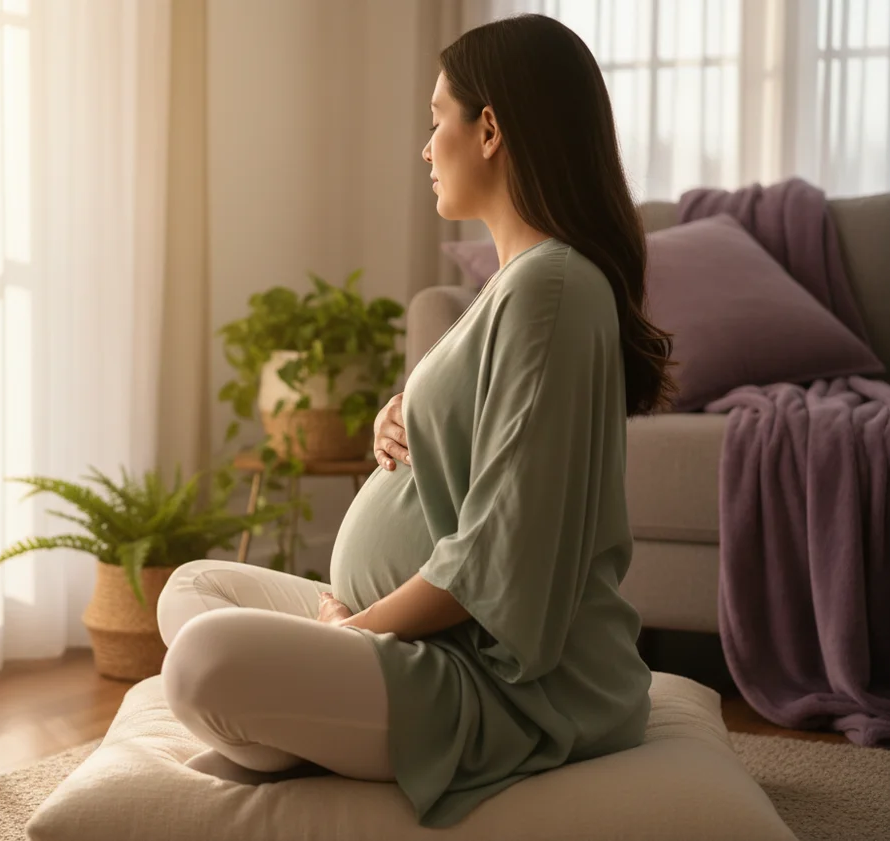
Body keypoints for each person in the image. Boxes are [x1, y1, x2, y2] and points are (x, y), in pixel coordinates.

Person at [156, 13, 677, 829]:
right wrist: (399, 422)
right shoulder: (516, 288)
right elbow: (473, 455)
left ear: (491, 127)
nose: (425, 146)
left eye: (438, 119)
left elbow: (502, 547)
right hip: (411, 641)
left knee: (200, 661)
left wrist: (349, 632)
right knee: (193, 587)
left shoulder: (552, 287)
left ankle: (309, 727)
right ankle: (317, 726)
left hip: (495, 684)